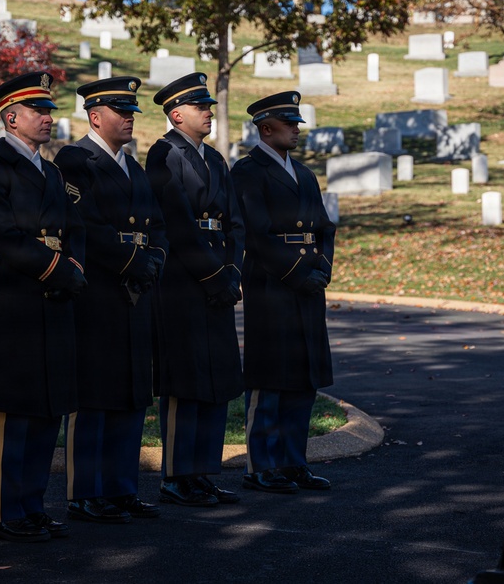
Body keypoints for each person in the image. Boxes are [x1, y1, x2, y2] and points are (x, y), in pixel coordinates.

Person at [0, 71, 87, 543]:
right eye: (39, 112)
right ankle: (3, 511)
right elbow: (2, 235)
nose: (48, 119)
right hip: (15, 294)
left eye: (50, 111)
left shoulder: (52, 171)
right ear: (11, 118)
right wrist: (58, 268)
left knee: (46, 407)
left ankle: (33, 505)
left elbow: (74, 227)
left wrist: (74, 266)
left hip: (56, 293)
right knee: (14, 408)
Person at [54, 77, 168, 525]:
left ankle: (121, 489)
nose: (129, 119)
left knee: (130, 394)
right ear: (95, 116)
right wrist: (131, 261)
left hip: (135, 291)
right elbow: (84, 225)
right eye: (121, 112)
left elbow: (157, 225)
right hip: (100, 290)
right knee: (95, 396)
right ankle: (85, 493)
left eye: (132, 112)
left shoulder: (133, 167)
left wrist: (154, 259)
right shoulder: (75, 159)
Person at [145, 72, 245, 507]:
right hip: (185, 282)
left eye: (208, 105)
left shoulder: (216, 159)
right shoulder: (164, 154)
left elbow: (234, 222)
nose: (209, 111)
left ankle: (203, 472)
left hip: (218, 278)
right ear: (176, 113)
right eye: (200, 106)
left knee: (216, 380)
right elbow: (178, 224)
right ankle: (176, 475)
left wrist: (232, 271)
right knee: (185, 383)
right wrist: (212, 275)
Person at [230, 91, 335, 494]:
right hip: (272, 285)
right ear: (266, 127)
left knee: (302, 378)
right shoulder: (247, 171)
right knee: (270, 378)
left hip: (308, 285)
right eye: (289, 124)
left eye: (296, 124)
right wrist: (295, 272)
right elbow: (256, 235)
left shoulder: (304, 174)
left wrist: (322, 266)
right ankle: (262, 466)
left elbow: (324, 227)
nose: (296, 130)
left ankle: (294, 462)